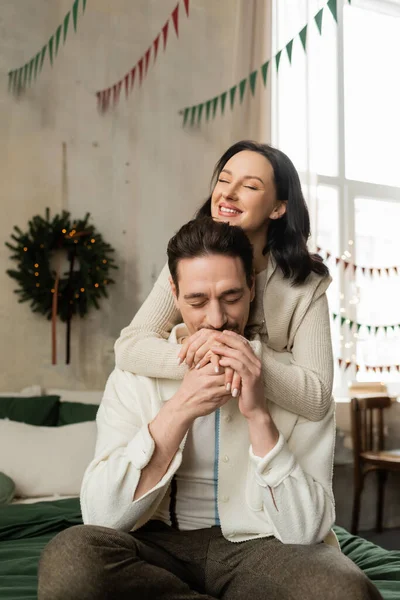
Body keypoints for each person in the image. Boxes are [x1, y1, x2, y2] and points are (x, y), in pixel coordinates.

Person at [38, 218, 381, 600]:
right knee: (71, 558)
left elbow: (306, 531)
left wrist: (258, 416)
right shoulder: (136, 374)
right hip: (153, 547)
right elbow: (102, 516)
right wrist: (180, 408)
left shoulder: (298, 386)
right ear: (174, 292)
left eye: (231, 297)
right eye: (197, 301)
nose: (216, 320)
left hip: (261, 548)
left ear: (252, 287)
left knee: (343, 590)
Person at [114, 140, 333, 422]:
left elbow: (317, 398)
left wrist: (246, 356)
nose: (228, 194)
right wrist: (204, 355)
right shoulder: (190, 262)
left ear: (278, 208)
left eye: (250, 186)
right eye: (224, 180)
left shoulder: (306, 284)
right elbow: (129, 347)